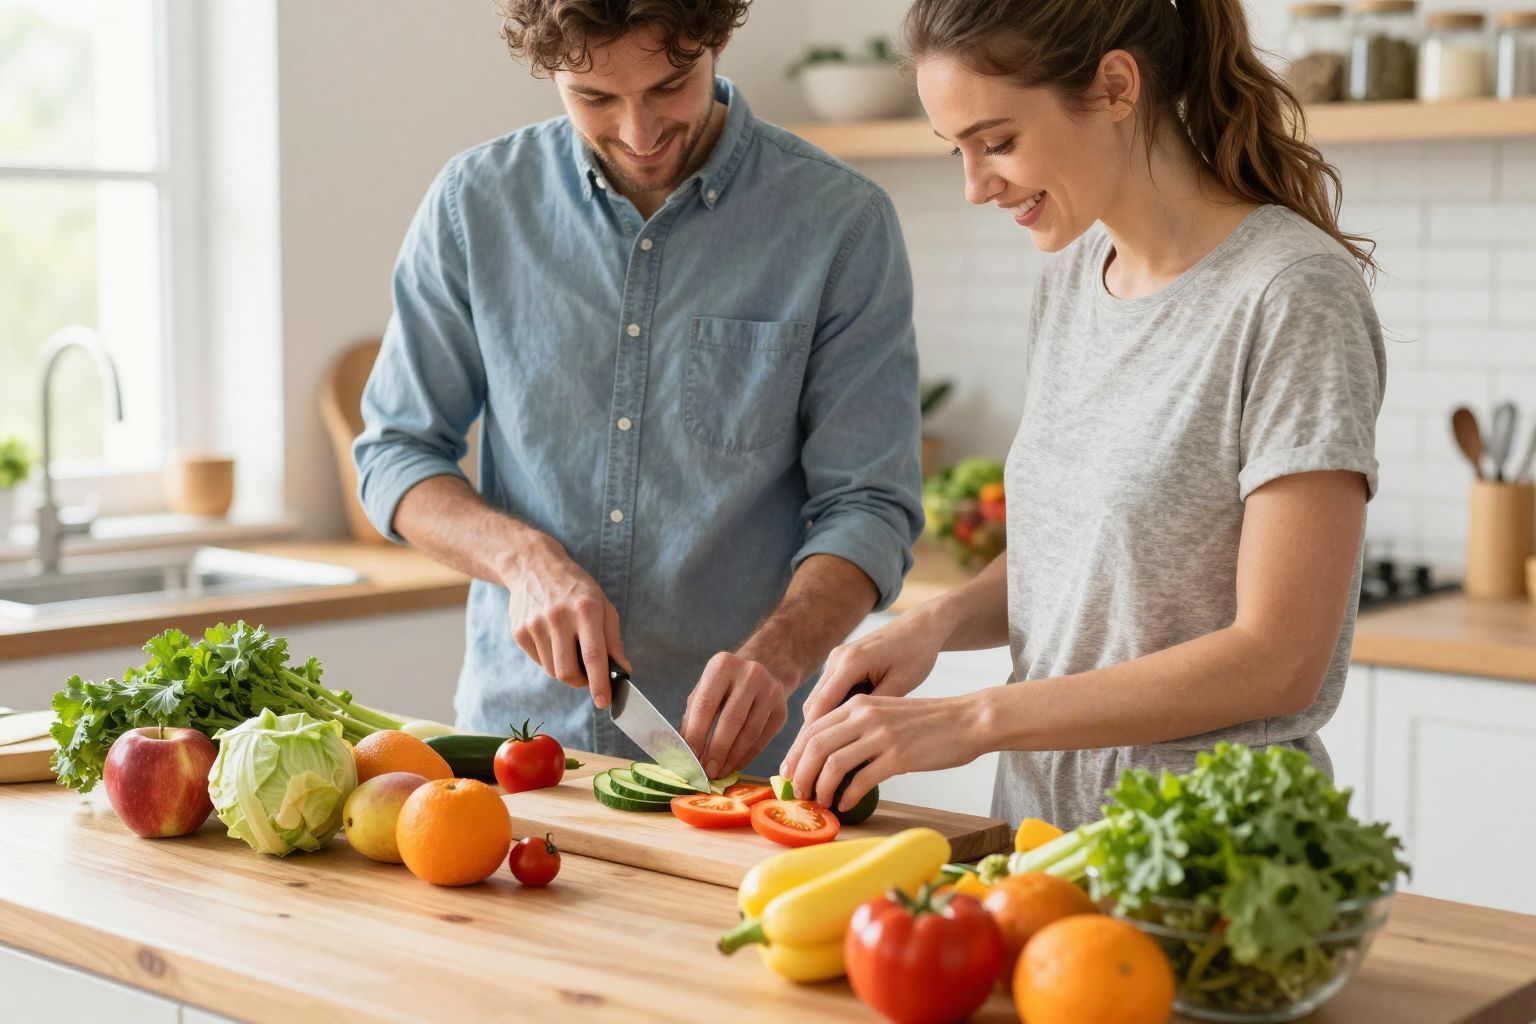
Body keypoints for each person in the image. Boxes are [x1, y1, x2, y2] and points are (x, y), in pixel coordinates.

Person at [783, 0, 1386, 829]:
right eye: (958, 149)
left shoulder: (1290, 293)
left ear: (1114, 87)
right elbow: (1077, 563)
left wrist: (972, 718)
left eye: (997, 142)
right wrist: (931, 625)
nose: (975, 186)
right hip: (1043, 842)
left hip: (1209, 855)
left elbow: (1279, 661)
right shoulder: (1073, 280)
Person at [354, 0, 923, 780]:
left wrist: (781, 652)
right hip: (518, 752)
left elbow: (870, 507)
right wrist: (524, 560)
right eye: (595, 97)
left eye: (669, 86)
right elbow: (395, 454)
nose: (639, 131)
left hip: (747, 769)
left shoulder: (840, 224)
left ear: (716, 39)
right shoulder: (474, 205)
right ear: (551, 71)